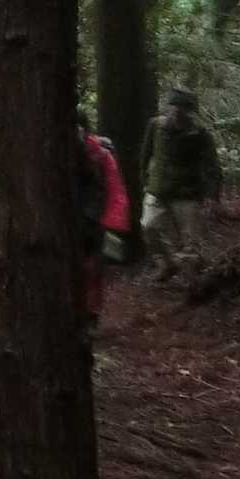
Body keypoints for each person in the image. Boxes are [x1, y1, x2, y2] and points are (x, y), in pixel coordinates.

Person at [139, 88, 222, 279]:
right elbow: (145, 155)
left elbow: (212, 165)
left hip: (187, 193)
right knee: (148, 227)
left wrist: (212, 194)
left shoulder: (200, 133)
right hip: (158, 189)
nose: (178, 111)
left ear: (190, 111)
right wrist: (144, 181)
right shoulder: (156, 126)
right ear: (170, 106)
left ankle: (193, 280)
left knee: (189, 240)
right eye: (175, 106)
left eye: (183, 108)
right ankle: (166, 264)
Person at [75, 111, 129, 326]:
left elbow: (115, 188)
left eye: (79, 127)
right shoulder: (56, 152)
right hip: (70, 219)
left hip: (93, 220)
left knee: (92, 269)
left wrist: (112, 221)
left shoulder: (101, 154)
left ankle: (91, 312)